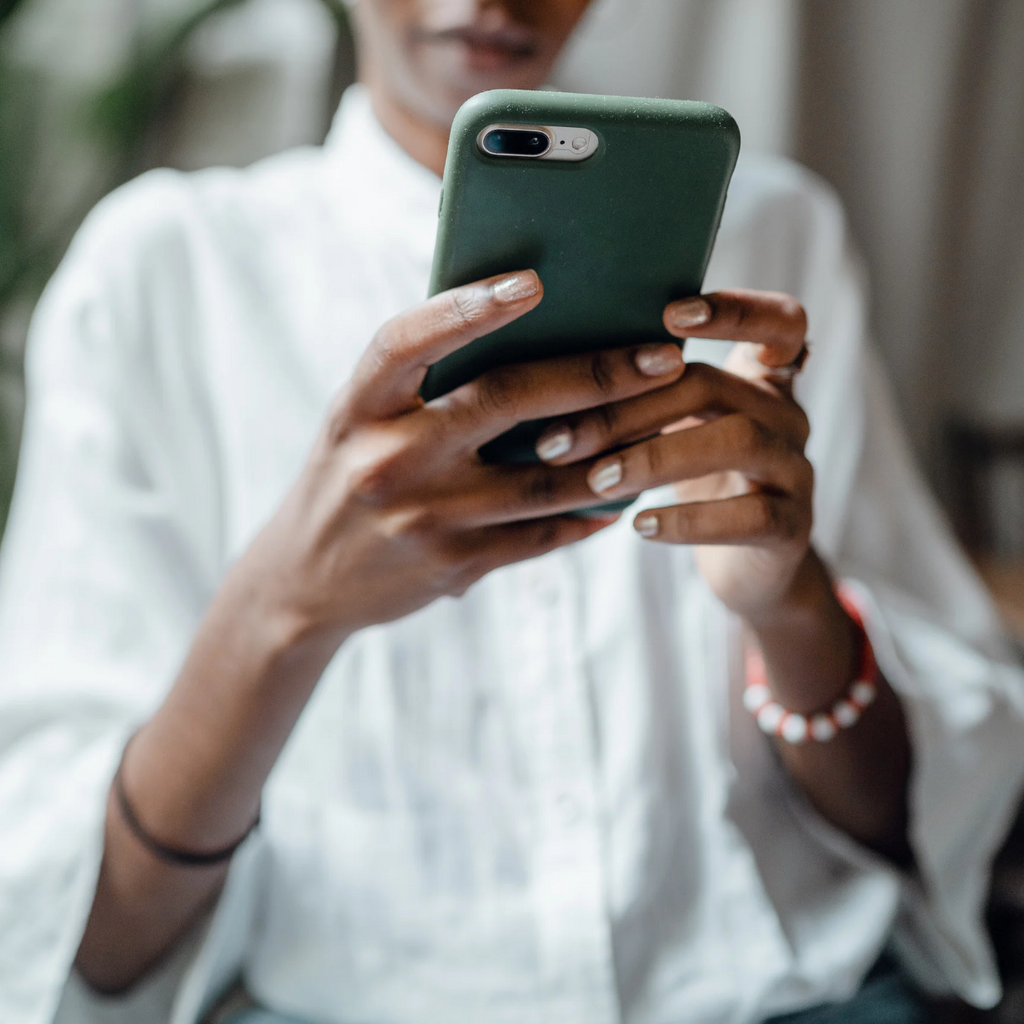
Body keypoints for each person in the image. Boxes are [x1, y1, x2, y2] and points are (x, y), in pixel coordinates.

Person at [0, 1, 1022, 1022]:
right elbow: (81, 940)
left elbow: (920, 826)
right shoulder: (164, 272)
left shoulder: (775, 238)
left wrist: (790, 605)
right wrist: (282, 610)